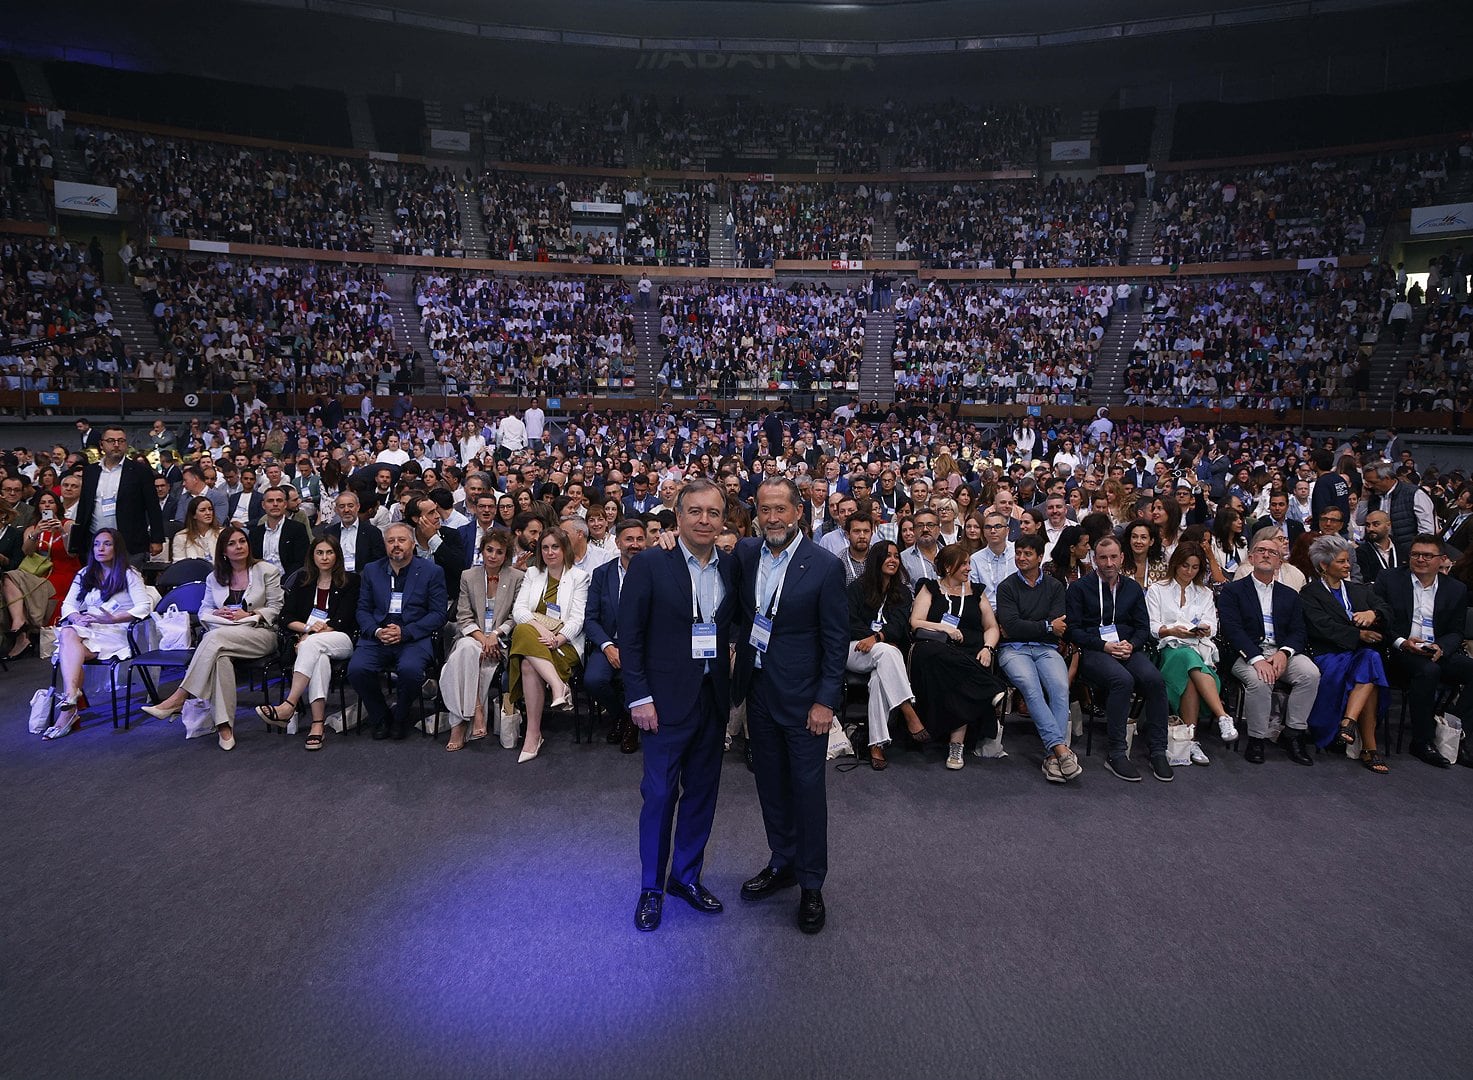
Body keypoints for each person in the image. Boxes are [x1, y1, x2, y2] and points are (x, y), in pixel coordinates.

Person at [730, 477, 847, 935]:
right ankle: (782, 862)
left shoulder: (823, 566)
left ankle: (812, 885)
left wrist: (825, 701)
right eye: (765, 510)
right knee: (771, 788)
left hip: (805, 703)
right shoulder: (744, 554)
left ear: (799, 512)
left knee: (807, 794)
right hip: (758, 693)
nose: (773, 518)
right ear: (756, 513)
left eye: (781, 509)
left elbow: (837, 641)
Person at [620, 479, 738, 932]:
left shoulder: (733, 566)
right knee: (659, 797)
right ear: (678, 514)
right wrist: (639, 697)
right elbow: (629, 637)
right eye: (695, 511)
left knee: (702, 796)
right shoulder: (650, 562)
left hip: (712, 698)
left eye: (713, 513)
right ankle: (651, 887)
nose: (704, 520)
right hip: (662, 704)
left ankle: (685, 878)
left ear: (723, 518)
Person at [141, 526, 284, 751]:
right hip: (223, 635)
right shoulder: (214, 577)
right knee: (220, 658)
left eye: (242, 541)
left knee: (213, 639)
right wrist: (216, 613)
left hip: (260, 634)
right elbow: (204, 610)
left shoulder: (266, 570)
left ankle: (180, 696)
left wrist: (251, 615)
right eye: (232, 544)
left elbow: (276, 608)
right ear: (223, 551)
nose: (239, 547)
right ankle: (224, 727)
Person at [1067, 534, 1173, 782]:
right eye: (1103, 558)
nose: (1109, 563)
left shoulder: (1133, 588)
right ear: (1094, 560)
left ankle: (1158, 750)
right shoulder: (1079, 589)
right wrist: (1104, 646)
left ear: (1122, 558)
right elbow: (1074, 630)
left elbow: (1142, 628)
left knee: (1155, 680)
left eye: (1114, 557)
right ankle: (1116, 752)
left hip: (1127, 648)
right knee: (1122, 680)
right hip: (1094, 651)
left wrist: (1131, 644)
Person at [1218, 529, 1321, 765]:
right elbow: (1232, 630)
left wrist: (1284, 653)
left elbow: (1298, 631)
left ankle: (1293, 734)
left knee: (1310, 674)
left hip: (1281, 653)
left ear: (1279, 561)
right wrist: (1257, 658)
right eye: (1261, 551)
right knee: (1260, 679)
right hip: (1245, 654)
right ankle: (1257, 738)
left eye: (1272, 552)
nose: (1266, 555)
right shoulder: (1233, 591)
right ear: (1251, 558)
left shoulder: (1290, 595)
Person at [1374, 533, 1473, 768]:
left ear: (1442, 559)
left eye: (1428, 555)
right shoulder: (1389, 579)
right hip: (1398, 652)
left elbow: (1456, 631)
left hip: (1436, 650)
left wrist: (1442, 647)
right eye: (1416, 554)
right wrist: (1401, 641)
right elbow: (1381, 621)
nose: (1421, 559)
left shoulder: (1455, 588)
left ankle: (1459, 733)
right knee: (1428, 671)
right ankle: (1422, 741)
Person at [44, 529, 153, 739]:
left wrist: (114, 619)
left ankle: (69, 708)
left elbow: (143, 607)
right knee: (68, 631)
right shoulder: (85, 573)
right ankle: (71, 697)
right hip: (89, 628)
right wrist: (76, 617)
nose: (100, 549)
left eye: (107, 544)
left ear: (117, 548)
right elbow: (68, 605)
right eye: (96, 544)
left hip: (117, 631)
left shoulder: (129, 574)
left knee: (68, 645)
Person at [993, 533, 1083, 784]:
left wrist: (1038, 627)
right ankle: (1060, 749)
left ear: (1040, 557)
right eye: (1018, 553)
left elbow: (1060, 625)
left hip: (1046, 649)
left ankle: (1053, 758)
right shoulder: (1007, 587)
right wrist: (1045, 626)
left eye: (1027, 554)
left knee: (1060, 688)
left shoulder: (1054, 586)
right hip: (1013, 649)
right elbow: (1011, 626)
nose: (1021, 558)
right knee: (1031, 689)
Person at [347, 522, 449, 741]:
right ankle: (380, 715)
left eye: (401, 540)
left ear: (412, 544)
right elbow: (362, 609)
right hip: (378, 636)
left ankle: (401, 716)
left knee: (411, 671)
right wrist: (376, 631)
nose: (396, 545)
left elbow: (439, 614)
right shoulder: (372, 571)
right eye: (391, 541)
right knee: (356, 669)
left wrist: (405, 632)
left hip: (414, 636)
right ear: (385, 545)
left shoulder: (432, 571)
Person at [256, 537, 360, 751]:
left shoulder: (350, 580)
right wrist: (306, 629)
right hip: (311, 641)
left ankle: (289, 704)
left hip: (341, 638)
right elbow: (285, 617)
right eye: (319, 552)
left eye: (329, 552)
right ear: (312, 556)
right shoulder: (303, 579)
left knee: (310, 646)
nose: (324, 557)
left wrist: (311, 636)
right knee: (318, 658)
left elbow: (345, 618)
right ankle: (317, 725)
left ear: (337, 556)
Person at [1299, 534, 1392, 773]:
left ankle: (1348, 722)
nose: (1348, 565)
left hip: (1358, 655)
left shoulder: (1358, 590)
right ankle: (1369, 747)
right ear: (1324, 565)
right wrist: (1358, 636)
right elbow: (1320, 626)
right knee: (1370, 667)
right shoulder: (1309, 593)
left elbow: (1386, 609)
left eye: (1348, 560)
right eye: (1341, 561)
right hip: (1328, 654)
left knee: (1371, 659)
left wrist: (1373, 614)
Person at [908, 542, 1005, 770]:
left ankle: (956, 745)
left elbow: (991, 627)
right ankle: (991, 687)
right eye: (964, 564)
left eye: (969, 563)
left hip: (970, 650)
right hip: (935, 648)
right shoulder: (930, 588)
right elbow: (915, 623)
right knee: (941, 658)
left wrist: (988, 648)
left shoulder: (977, 592)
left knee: (959, 674)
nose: (969, 569)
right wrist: (945, 629)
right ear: (949, 567)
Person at [1146, 542, 1237, 763]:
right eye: (1185, 565)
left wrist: (1203, 628)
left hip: (1198, 649)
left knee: (1190, 672)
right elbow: (1152, 626)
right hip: (1167, 649)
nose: (1189, 571)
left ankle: (1190, 739)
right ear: (1176, 564)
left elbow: (1212, 626)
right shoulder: (1158, 589)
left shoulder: (1204, 593)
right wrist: (1171, 630)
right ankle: (1223, 716)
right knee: (1186, 658)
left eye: (1195, 567)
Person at [507, 526, 589, 762]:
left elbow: (578, 619)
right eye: (545, 547)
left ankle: (533, 735)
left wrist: (558, 638)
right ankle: (557, 686)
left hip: (566, 642)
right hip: (538, 636)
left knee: (527, 664)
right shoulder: (533, 574)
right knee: (522, 629)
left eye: (555, 547)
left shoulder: (579, 577)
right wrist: (542, 630)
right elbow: (519, 610)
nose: (550, 552)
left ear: (565, 549)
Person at [441, 531, 524, 752]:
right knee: (467, 649)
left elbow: (515, 616)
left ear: (506, 555)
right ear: (482, 550)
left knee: (464, 656)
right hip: (473, 635)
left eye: (499, 552)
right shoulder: (468, 576)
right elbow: (464, 617)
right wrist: (483, 639)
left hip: (502, 639)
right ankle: (475, 709)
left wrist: (494, 636)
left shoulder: (516, 577)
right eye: (489, 550)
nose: (493, 556)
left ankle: (459, 724)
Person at [846, 540, 923, 771]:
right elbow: (849, 623)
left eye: (897, 556)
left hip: (883, 651)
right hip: (854, 648)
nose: (893, 560)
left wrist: (877, 639)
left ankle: (876, 745)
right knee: (888, 652)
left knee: (881, 677)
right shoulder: (856, 588)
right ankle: (908, 710)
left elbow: (899, 627)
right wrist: (875, 638)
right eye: (888, 556)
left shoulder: (902, 593)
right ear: (876, 560)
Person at [584, 518, 647, 754]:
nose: (635, 544)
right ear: (618, 542)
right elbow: (590, 618)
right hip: (611, 641)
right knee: (592, 680)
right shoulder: (602, 573)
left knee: (638, 677)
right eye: (629, 539)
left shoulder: (655, 571)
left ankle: (631, 724)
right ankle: (622, 715)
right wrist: (608, 646)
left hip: (644, 645)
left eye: (640, 539)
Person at [70, 426, 164, 565]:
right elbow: (84, 507)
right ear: (102, 444)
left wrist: (157, 539)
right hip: (95, 541)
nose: (116, 445)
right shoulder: (90, 471)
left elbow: (153, 506)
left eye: (121, 441)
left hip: (129, 542)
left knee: (128, 584)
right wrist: (76, 542)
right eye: (111, 441)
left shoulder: (140, 471)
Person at [323, 489, 385, 574]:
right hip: (336, 578)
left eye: (350, 506)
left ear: (358, 507)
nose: (346, 510)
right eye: (342, 506)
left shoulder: (372, 532)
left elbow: (379, 561)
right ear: (336, 510)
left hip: (362, 578)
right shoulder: (329, 532)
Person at [968, 508, 1015, 599]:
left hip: (1015, 608)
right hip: (986, 609)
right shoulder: (975, 559)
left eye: (997, 526)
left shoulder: (1017, 554)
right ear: (984, 532)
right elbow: (975, 592)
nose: (993, 531)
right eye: (988, 527)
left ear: (1007, 530)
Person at [170, 495, 223, 563]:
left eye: (210, 509)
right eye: (202, 510)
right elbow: (179, 565)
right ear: (193, 515)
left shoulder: (222, 533)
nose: (208, 513)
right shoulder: (181, 537)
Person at [1122, 518, 1167, 590]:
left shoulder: (1161, 567)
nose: (1138, 541)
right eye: (1134, 537)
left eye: (1143, 537)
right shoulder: (1120, 565)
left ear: (1151, 541)